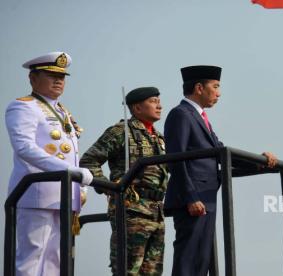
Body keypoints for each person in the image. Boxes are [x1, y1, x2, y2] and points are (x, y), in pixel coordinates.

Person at [164, 65, 277, 276]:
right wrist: (190, 198)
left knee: (201, 259)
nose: (219, 93)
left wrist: (260, 162)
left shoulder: (199, 117)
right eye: (215, 86)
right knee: (188, 257)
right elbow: (175, 160)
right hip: (194, 198)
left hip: (206, 197)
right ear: (199, 88)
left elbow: (220, 152)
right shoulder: (181, 114)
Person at [5, 51, 93, 276]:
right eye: (51, 75)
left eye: (62, 77)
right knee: (32, 257)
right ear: (33, 79)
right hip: (37, 193)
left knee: (56, 258)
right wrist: (69, 171)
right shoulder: (23, 106)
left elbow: (71, 152)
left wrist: (78, 186)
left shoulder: (63, 111)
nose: (59, 81)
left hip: (63, 195)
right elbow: (24, 147)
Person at [79, 87, 168, 276]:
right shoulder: (121, 131)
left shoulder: (159, 137)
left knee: (152, 271)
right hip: (131, 209)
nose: (159, 106)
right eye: (153, 101)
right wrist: (110, 188)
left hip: (156, 211)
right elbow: (89, 160)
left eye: (159, 101)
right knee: (128, 269)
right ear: (137, 107)